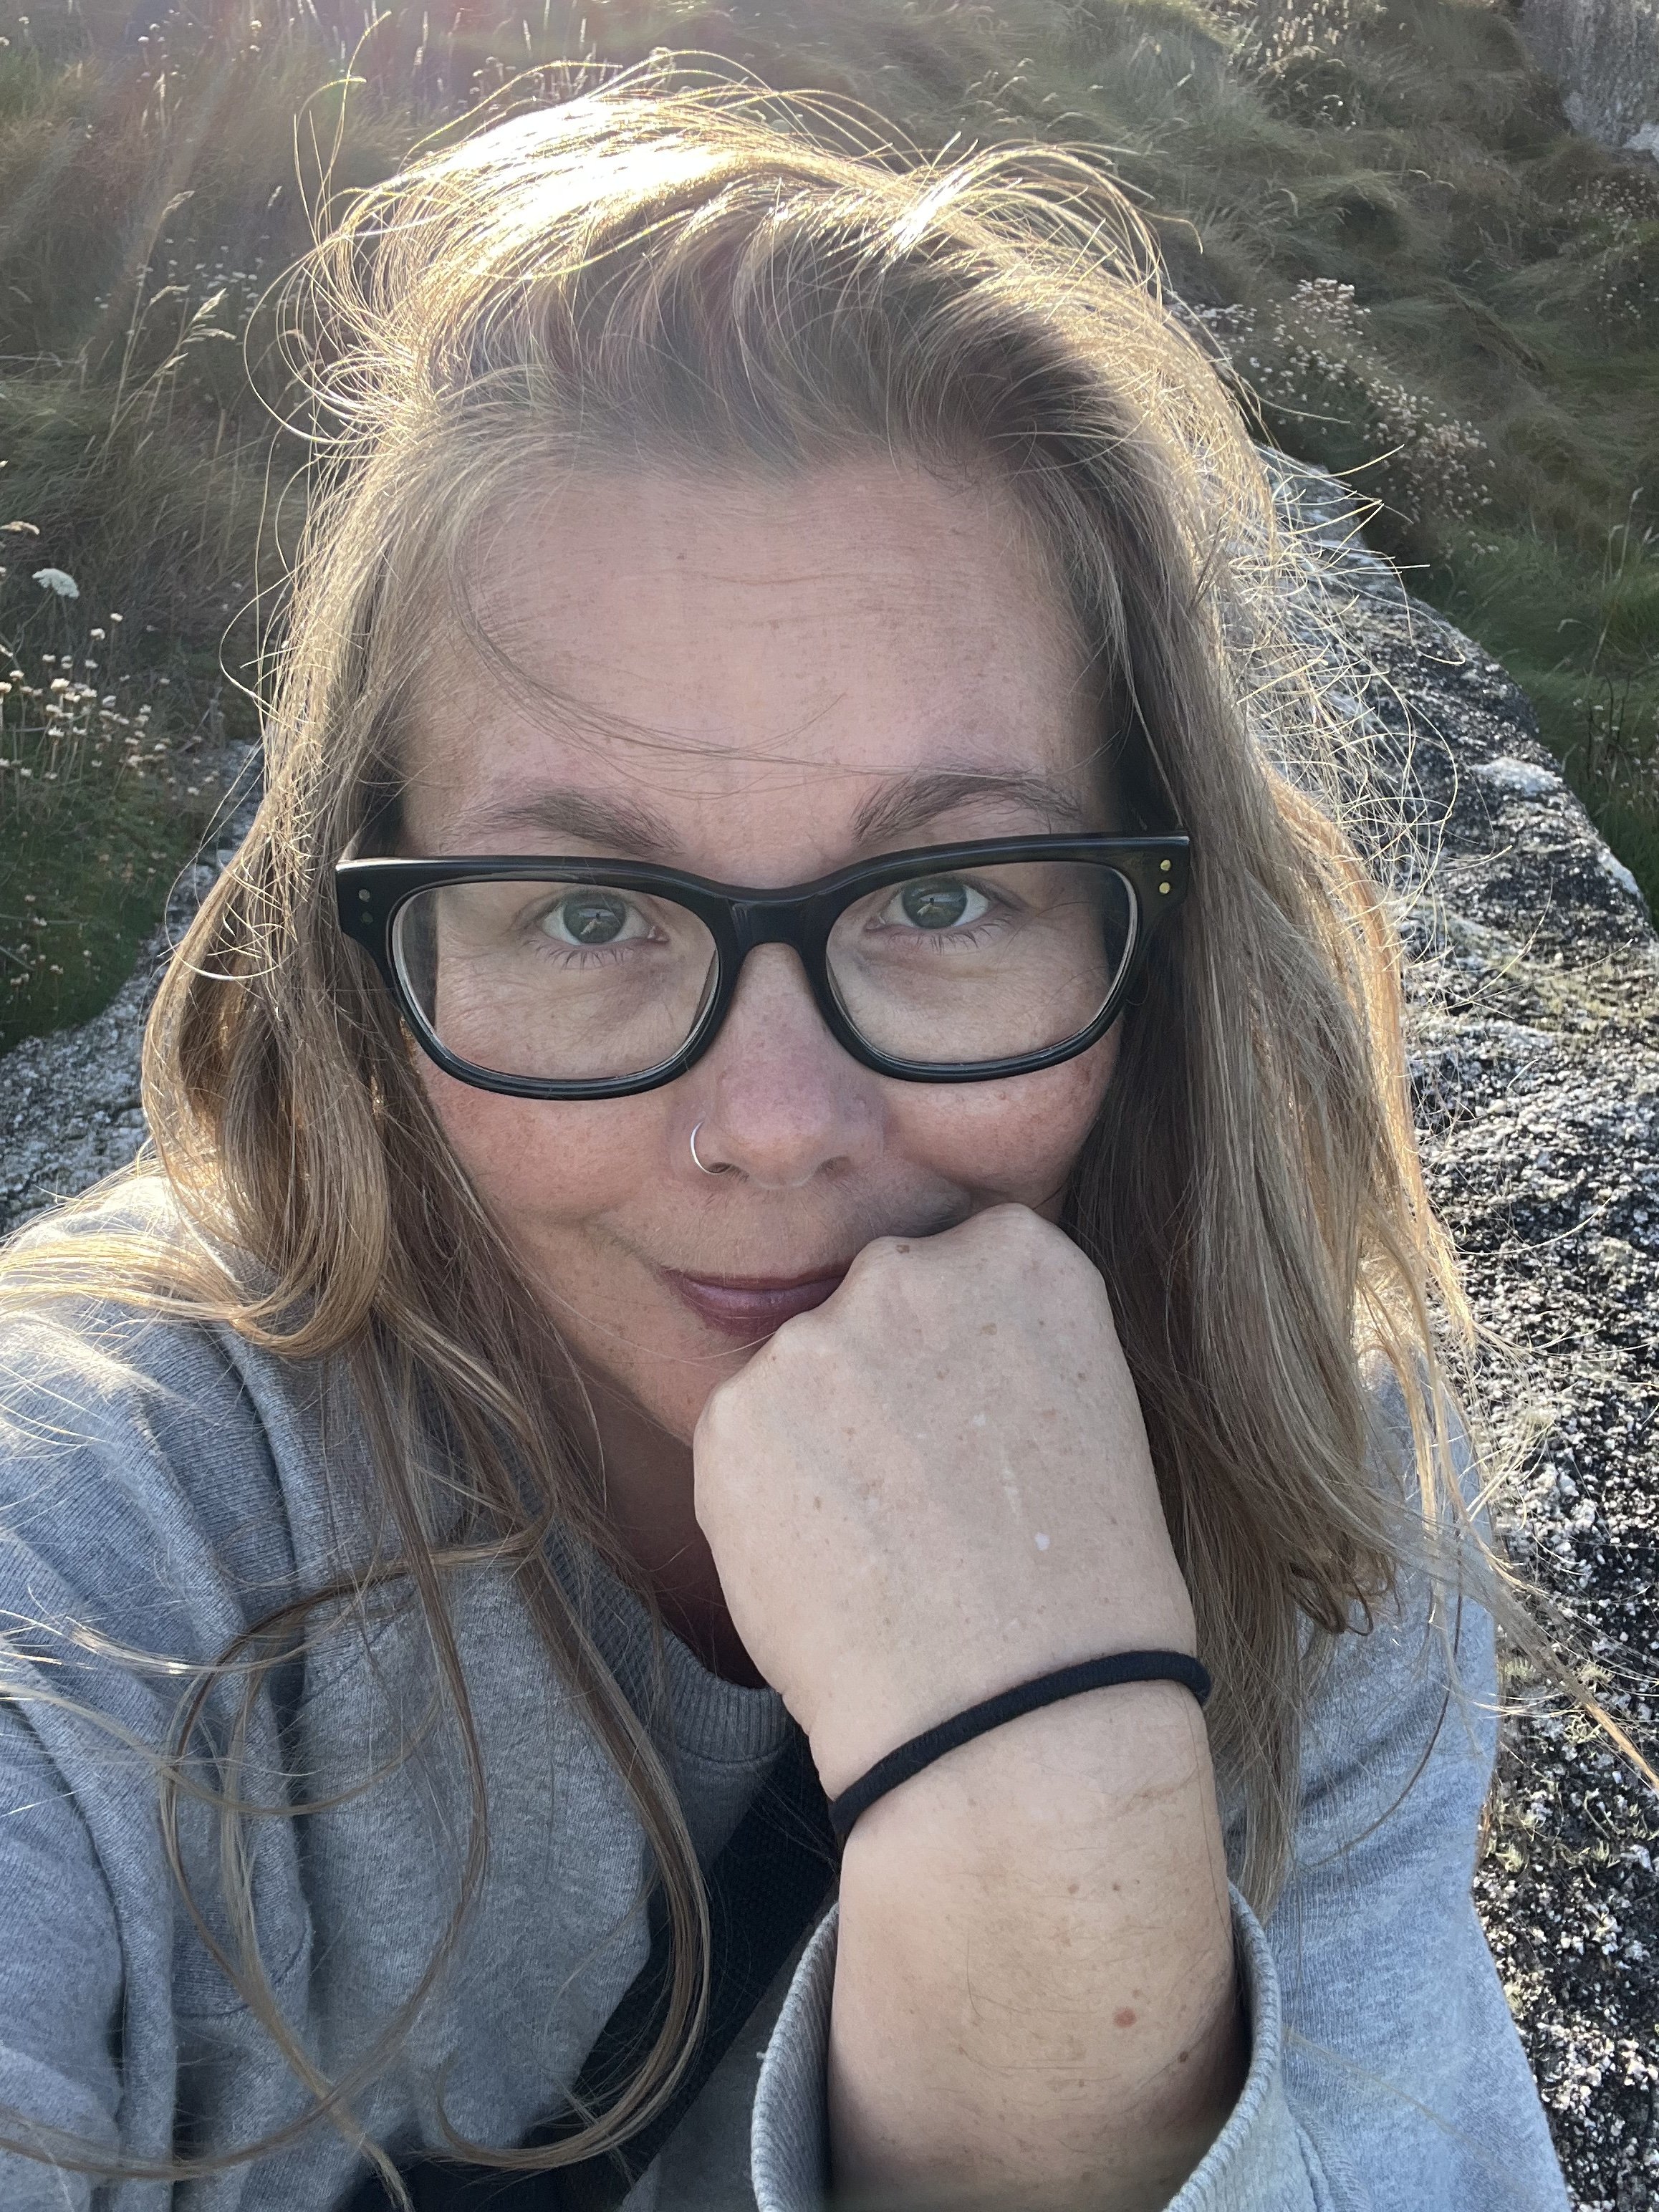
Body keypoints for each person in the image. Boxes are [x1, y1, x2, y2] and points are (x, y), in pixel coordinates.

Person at [0, 64, 1577, 2212]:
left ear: (1161, 928)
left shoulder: (1294, 1484)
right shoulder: (91, 1559)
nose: (768, 1127)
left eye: (943, 899)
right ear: (364, 944)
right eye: (585, 913)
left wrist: (1051, 1819)